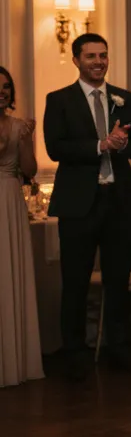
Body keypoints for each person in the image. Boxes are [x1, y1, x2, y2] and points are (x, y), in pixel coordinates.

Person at [43, 33, 131, 380]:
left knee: (118, 279)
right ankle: (75, 352)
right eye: (90, 56)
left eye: (103, 55)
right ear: (76, 60)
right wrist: (100, 145)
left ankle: (119, 348)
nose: (98, 62)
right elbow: (56, 148)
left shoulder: (125, 98)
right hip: (78, 204)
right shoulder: (59, 99)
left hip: (118, 201)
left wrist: (121, 144)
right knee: (75, 280)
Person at [0, 66, 43, 386]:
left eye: (5, 87)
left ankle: (15, 358)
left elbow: (29, 170)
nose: (1, 92)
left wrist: (27, 140)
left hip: (10, 199)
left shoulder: (18, 125)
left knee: (9, 269)